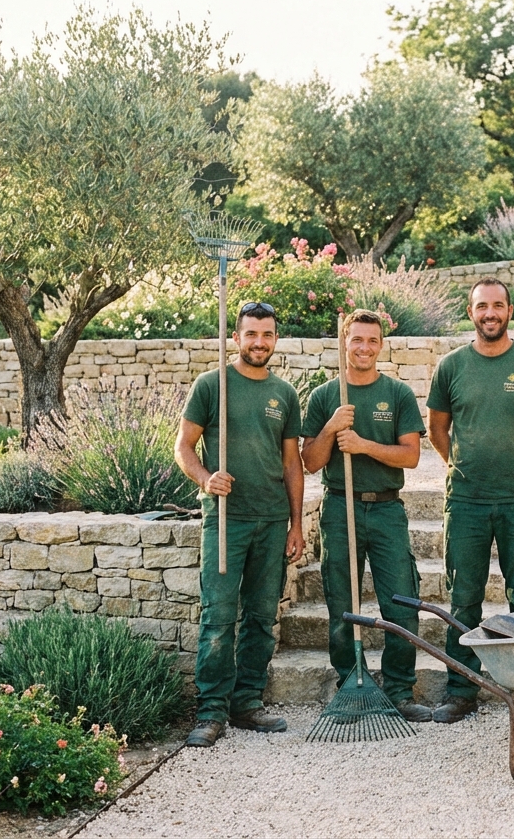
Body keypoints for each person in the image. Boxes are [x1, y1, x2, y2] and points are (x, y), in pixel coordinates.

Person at [426, 277, 514, 724]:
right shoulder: (451, 366)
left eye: (498, 305)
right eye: (482, 306)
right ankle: (460, 690)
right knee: (464, 597)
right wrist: (462, 467)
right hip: (466, 500)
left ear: (509, 311)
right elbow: (437, 430)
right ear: (471, 313)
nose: (490, 313)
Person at [175, 301, 305, 748]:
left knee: (260, 616)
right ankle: (210, 711)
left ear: (275, 339)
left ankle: (247, 702)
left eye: (267, 335)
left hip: (271, 520)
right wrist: (206, 478)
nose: (259, 342)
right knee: (218, 616)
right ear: (236, 338)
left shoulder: (284, 394)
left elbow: (292, 464)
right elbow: (184, 447)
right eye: (251, 334)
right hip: (226, 520)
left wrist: (295, 524)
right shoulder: (212, 385)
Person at [300, 309, 432, 723]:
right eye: (356, 339)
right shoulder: (325, 397)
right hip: (341, 506)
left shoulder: (397, 394)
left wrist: (362, 444)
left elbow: (410, 456)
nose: (364, 347)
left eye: (372, 341)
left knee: (401, 602)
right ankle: (351, 684)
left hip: (388, 509)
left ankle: (398, 689)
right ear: (344, 342)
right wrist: (330, 430)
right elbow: (309, 462)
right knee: (343, 600)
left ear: (381, 345)